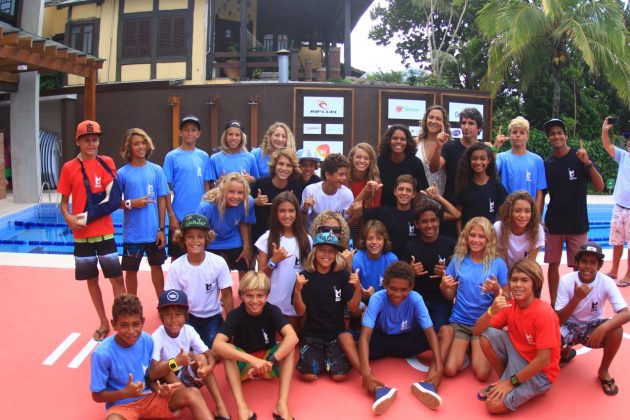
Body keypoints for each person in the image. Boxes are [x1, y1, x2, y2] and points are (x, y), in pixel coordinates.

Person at [90, 293, 213, 419]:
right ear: (114, 324)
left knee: (193, 393)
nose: (131, 331)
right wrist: (125, 393)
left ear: (142, 322)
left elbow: (150, 376)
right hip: (122, 406)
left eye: (136, 324)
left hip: (150, 398)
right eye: (124, 325)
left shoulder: (147, 340)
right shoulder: (102, 354)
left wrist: (159, 389)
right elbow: (97, 395)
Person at [58, 119, 125, 341]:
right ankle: (104, 321)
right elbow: (63, 202)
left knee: (116, 279)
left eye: (94, 139)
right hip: (81, 235)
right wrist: (69, 219)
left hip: (105, 231)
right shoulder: (69, 167)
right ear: (78, 142)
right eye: (86, 140)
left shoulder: (106, 162)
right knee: (92, 279)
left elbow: (112, 198)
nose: (91, 144)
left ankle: (122, 321)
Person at [473, 259, 561, 414]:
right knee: (487, 336)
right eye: (514, 280)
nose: (518, 285)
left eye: (524, 280)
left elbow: (543, 360)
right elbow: (477, 331)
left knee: (493, 406)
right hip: (518, 355)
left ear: (535, 284)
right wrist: (491, 311)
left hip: (541, 373)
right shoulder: (511, 305)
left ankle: (507, 383)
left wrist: (511, 382)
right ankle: (503, 380)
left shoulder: (544, 313)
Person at [359, 261, 444, 414]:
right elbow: (365, 337)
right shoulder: (377, 298)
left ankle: (431, 381)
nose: (398, 294)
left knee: (447, 332)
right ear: (385, 285)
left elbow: (430, 332)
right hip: (381, 341)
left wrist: (439, 366)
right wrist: (365, 371)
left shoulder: (416, 298)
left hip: (406, 341)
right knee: (345, 338)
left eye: (404, 289)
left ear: (411, 288)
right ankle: (375, 386)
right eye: (393, 288)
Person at [213, 272, 299, 420]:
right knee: (228, 351)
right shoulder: (235, 315)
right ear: (241, 295)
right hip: (246, 366)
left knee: (289, 347)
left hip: (268, 364)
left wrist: (271, 360)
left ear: (267, 295)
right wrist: (252, 361)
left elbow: (293, 337)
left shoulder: (272, 311)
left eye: (260, 296)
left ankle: (282, 404)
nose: (255, 301)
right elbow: (217, 344)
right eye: (249, 296)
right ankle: (243, 409)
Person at [555, 242, 630, 395]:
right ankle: (566, 352)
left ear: (599, 265)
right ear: (577, 263)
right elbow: (558, 319)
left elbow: (626, 313)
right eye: (584, 261)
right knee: (550, 333)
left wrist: (603, 328)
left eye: (593, 262)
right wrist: (576, 298)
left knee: (616, 330)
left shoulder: (606, 282)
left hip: (592, 326)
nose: (587, 266)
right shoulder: (566, 281)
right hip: (569, 324)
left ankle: (603, 371)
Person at [439, 217, 508, 380]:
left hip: (484, 323)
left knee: (482, 374)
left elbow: (507, 297)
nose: (476, 240)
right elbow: (449, 296)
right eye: (473, 235)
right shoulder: (458, 260)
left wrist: (496, 289)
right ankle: (466, 345)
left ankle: (473, 345)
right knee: (449, 370)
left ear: (488, 239)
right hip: (460, 321)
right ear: (466, 236)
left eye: (481, 236)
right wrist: (444, 286)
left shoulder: (498, 263)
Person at [544, 117, 605, 299]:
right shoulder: (547, 164)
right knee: (553, 264)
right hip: (554, 223)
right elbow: (540, 193)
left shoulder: (580, 157)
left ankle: (578, 303)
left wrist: (588, 163)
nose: (556, 136)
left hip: (578, 223)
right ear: (548, 139)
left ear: (566, 135)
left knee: (580, 267)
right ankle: (555, 304)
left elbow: (600, 187)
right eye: (552, 134)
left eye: (559, 133)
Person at [149, 289, 230, 420]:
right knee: (166, 366)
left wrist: (208, 368)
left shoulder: (189, 330)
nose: (173, 319)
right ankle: (188, 398)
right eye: (168, 315)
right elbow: (152, 373)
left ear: (185, 316)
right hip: (168, 384)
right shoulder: (157, 337)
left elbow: (208, 354)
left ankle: (221, 406)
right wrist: (175, 362)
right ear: (161, 317)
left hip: (185, 375)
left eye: (178, 314)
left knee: (201, 358)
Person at [293, 232, 362, 382]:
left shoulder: (342, 275)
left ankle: (331, 357)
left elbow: (354, 308)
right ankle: (320, 357)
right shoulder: (305, 276)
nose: (327, 255)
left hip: (335, 336)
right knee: (309, 376)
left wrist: (358, 288)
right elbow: (300, 311)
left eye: (331, 251)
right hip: (312, 336)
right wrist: (297, 291)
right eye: (322, 250)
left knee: (339, 376)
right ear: (315, 252)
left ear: (336, 254)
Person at [165, 213, 234, 348]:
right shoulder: (176, 266)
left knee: (215, 350)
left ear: (206, 238)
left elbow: (227, 294)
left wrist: (230, 326)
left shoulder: (218, 262)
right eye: (190, 236)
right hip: (188, 316)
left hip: (212, 316)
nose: (195, 241)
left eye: (200, 236)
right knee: (183, 350)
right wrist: (175, 323)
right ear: (183, 239)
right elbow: (173, 300)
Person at [351, 175, 459, 259]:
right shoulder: (383, 212)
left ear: (413, 194)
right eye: (400, 189)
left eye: (408, 190)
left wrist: (437, 197)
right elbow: (352, 211)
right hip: (389, 261)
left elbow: (456, 214)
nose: (404, 193)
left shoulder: (420, 213)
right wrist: (366, 190)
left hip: (414, 262)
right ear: (395, 192)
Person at [117, 128, 169, 297]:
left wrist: (161, 229)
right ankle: (132, 304)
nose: (140, 147)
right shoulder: (122, 173)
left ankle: (162, 302)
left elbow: (162, 199)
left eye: (143, 143)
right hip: (133, 234)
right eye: (136, 144)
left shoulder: (156, 170)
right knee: (131, 271)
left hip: (153, 232)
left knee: (157, 267)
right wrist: (132, 203)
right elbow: (114, 203)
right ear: (129, 147)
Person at [255, 191, 312, 332]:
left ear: (297, 212)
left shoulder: (306, 239)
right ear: (275, 213)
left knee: (295, 342)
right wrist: (273, 261)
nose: (287, 215)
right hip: (273, 304)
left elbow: (310, 271)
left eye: (291, 211)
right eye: (282, 211)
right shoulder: (266, 238)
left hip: (296, 304)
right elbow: (260, 277)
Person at [430, 107, 484, 239]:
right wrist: (438, 146)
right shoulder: (450, 147)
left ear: (479, 128)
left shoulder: (484, 150)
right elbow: (434, 168)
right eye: (463, 123)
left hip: (475, 207)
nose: (466, 127)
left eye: (471, 123)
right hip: (451, 208)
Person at [163, 115, 212, 260]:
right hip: (179, 215)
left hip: (200, 214)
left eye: (193, 130)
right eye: (186, 130)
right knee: (177, 257)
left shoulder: (203, 156)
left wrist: (208, 210)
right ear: (180, 132)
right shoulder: (172, 156)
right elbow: (166, 188)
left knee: (200, 256)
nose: (189, 133)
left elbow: (207, 185)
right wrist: (171, 215)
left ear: (198, 133)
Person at [402, 200, 456, 331]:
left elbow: (459, 277)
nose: (430, 225)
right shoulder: (409, 247)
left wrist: (446, 273)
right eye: (424, 221)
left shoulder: (450, 244)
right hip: (416, 300)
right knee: (410, 331)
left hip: (441, 301)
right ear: (417, 224)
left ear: (438, 221)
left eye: (433, 220)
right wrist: (410, 272)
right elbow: (400, 279)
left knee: (438, 331)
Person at [198, 173, 256, 278]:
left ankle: (244, 294)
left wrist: (246, 247)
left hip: (233, 239)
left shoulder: (248, 202)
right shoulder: (207, 206)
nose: (236, 196)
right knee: (217, 277)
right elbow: (199, 232)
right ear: (223, 191)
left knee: (245, 267)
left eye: (240, 193)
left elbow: (244, 223)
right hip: (212, 242)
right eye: (231, 192)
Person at [494, 116, 547, 215]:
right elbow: (491, 172)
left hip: (528, 214)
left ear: (527, 136)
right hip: (507, 212)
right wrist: (495, 147)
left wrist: (537, 217)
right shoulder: (502, 157)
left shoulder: (537, 160)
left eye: (522, 133)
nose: (518, 135)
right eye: (514, 132)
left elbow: (539, 192)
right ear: (509, 135)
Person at [601, 117, 630, 286]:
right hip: (619, 206)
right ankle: (614, 270)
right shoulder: (624, 156)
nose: (629, 143)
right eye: (628, 141)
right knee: (617, 241)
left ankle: (628, 274)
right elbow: (607, 145)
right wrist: (605, 131)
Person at [251, 148, 302, 242]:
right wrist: (254, 202)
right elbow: (246, 212)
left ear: (293, 168)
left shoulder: (296, 186)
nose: (284, 168)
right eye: (281, 164)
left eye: (289, 165)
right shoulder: (260, 184)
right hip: (260, 237)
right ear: (274, 165)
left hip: (286, 237)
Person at [455, 142, 507, 231]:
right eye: (474, 158)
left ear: (489, 160)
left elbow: (502, 217)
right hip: (468, 238)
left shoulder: (497, 187)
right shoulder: (463, 186)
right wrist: (461, 238)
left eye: (482, 158)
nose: (478, 162)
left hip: (490, 238)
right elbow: (458, 217)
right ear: (469, 160)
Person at [377, 124, 429, 206]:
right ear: (388, 140)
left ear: (408, 142)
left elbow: (419, 192)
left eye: (402, 139)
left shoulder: (416, 163)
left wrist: (412, 212)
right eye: (395, 138)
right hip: (383, 209)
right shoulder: (379, 162)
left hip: (408, 211)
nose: (398, 141)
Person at [301, 153, 354, 229]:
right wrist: (304, 209)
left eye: (345, 174)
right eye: (341, 174)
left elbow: (345, 224)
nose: (344, 178)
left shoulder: (347, 194)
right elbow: (303, 223)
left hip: (337, 238)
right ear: (328, 175)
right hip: (313, 237)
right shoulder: (310, 190)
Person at [494, 191, 545, 269]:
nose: (522, 215)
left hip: (525, 271)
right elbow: (501, 261)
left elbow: (530, 263)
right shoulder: (499, 227)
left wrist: (519, 279)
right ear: (510, 212)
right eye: (517, 211)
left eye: (527, 211)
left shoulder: (538, 230)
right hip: (504, 271)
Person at [352, 220, 398, 301]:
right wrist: (363, 294)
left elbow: (396, 289)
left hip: (385, 302)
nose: (374, 242)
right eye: (370, 238)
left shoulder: (392, 259)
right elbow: (352, 292)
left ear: (384, 240)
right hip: (361, 301)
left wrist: (376, 296)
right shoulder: (357, 259)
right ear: (364, 241)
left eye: (379, 238)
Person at [347, 143, 383, 240]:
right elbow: (348, 212)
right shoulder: (344, 178)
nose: (362, 161)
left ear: (371, 161)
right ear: (351, 158)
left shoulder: (375, 182)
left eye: (366, 158)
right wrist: (365, 191)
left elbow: (372, 212)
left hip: (364, 225)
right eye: (358, 157)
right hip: (345, 223)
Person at [416, 105, 448, 195]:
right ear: (425, 120)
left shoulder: (449, 145)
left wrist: (439, 145)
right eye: (431, 117)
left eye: (438, 119)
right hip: (418, 197)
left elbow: (434, 168)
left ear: (443, 123)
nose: (433, 121)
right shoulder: (416, 142)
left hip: (441, 198)